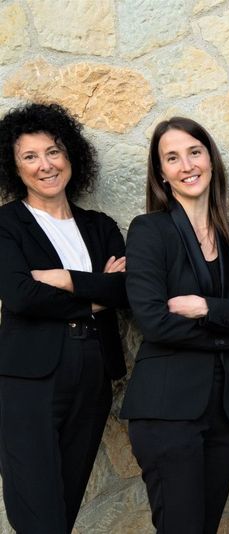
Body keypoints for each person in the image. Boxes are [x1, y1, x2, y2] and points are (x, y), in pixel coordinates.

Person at [121, 117, 229, 533]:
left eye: (194, 152)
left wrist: (206, 307)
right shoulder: (150, 231)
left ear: (210, 159)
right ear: (161, 174)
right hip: (167, 409)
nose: (186, 165)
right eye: (172, 158)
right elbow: (155, 322)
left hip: (225, 412)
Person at [0, 102, 127, 532]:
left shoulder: (100, 226)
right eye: (30, 156)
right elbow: (21, 296)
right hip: (29, 378)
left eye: (53, 151)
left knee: (65, 504)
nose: (45, 165)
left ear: (70, 155)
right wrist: (95, 293)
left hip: (93, 371)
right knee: (37, 508)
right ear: (15, 168)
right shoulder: (6, 225)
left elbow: (125, 289)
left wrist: (62, 279)